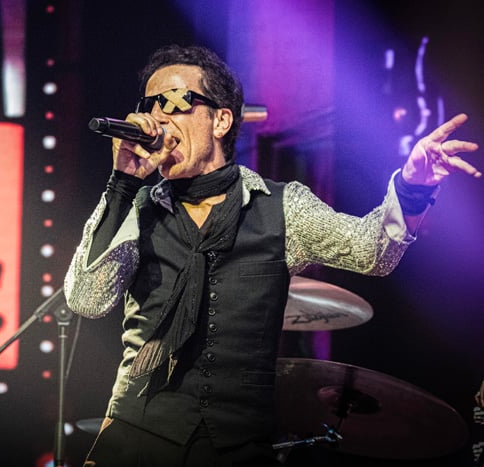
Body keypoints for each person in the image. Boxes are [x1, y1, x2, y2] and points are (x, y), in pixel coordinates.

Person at [63, 44, 481, 467]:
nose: (159, 119)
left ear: (221, 120)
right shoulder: (139, 209)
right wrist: (122, 182)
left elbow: (371, 252)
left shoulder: (282, 207)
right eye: (149, 106)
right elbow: (86, 299)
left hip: (238, 448)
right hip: (135, 440)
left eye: (174, 102)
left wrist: (412, 187)